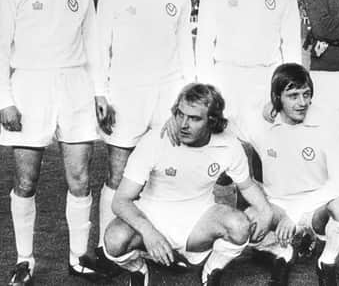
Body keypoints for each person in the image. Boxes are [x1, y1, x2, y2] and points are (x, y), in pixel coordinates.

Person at [0, 0, 110, 284]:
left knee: (80, 177)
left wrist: (100, 91)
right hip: (30, 87)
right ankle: (25, 258)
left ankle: (80, 256)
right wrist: (4, 99)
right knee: (26, 180)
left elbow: (93, 41)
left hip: (76, 85)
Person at [95, 0, 195, 265]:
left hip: (167, 98)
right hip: (125, 96)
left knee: (163, 173)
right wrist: (100, 93)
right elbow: (99, 48)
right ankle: (106, 249)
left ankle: (162, 245)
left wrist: (186, 101)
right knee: (118, 175)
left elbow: (187, 52)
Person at [102, 83, 273, 286]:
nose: (183, 124)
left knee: (239, 226)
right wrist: (149, 233)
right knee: (114, 240)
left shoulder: (228, 145)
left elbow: (247, 186)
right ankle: (138, 270)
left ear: (212, 120)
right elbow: (121, 201)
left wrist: (266, 211)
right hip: (151, 215)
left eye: (194, 118)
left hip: (198, 222)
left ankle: (212, 271)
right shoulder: (155, 141)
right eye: (180, 114)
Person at [238, 63, 339, 286]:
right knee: (245, 224)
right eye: (293, 96)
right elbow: (223, 124)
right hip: (277, 206)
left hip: (316, 208)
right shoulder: (261, 124)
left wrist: (295, 214)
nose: (302, 103)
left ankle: (327, 261)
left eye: (306, 94)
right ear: (276, 98)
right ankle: (282, 252)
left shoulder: (326, 124)